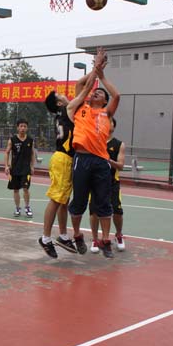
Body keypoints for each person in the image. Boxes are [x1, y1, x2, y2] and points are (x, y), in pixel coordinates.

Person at [38, 69, 98, 258]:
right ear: (59, 103)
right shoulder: (69, 109)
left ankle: (63, 236)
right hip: (63, 158)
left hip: (65, 159)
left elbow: (81, 83)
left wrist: (94, 71)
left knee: (63, 200)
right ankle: (45, 238)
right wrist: (97, 70)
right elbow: (85, 88)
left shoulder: (63, 114)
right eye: (60, 95)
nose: (64, 94)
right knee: (56, 199)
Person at [68, 48, 120, 258]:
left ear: (104, 101)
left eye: (100, 93)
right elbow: (82, 85)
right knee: (79, 201)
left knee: (103, 203)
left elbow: (117, 95)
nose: (95, 93)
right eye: (95, 91)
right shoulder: (79, 107)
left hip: (100, 161)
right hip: (82, 159)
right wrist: (95, 69)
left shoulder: (106, 113)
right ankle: (77, 235)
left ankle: (105, 240)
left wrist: (102, 75)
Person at [89, 117, 126, 253]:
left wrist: (109, 160)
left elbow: (121, 166)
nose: (108, 124)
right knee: (94, 211)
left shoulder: (119, 144)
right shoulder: (94, 142)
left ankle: (118, 234)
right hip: (96, 182)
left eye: (110, 122)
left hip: (112, 182)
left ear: (114, 127)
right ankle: (95, 239)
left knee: (117, 211)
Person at [4, 119, 36, 218]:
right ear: (17, 127)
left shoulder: (30, 140)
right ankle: (17, 208)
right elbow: (7, 152)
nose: (23, 128)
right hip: (14, 169)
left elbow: (32, 153)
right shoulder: (12, 140)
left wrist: (32, 166)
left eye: (24, 126)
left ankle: (27, 207)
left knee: (26, 188)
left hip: (26, 169)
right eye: (21, 126)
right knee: (16, 190)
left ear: (27, 128)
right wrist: (6, 166)